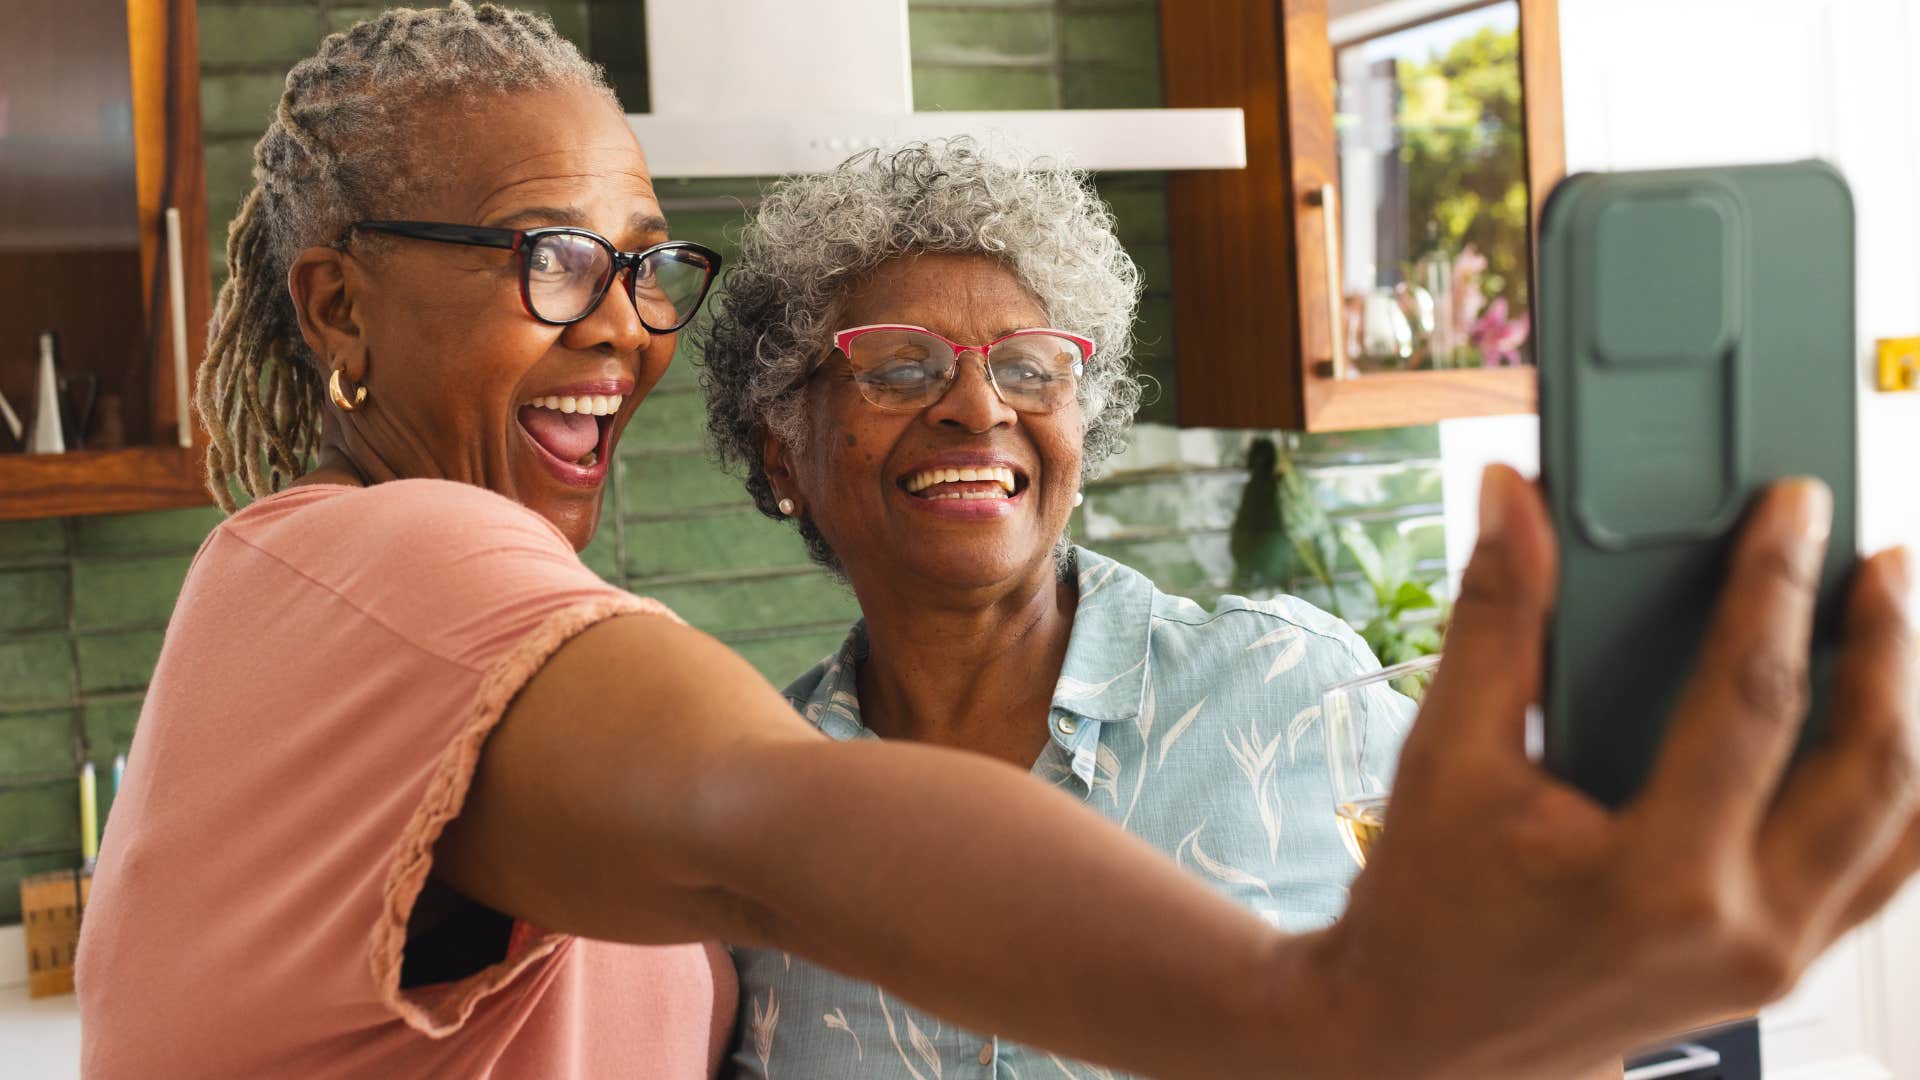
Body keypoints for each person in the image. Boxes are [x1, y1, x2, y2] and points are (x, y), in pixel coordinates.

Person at [74, 4, 1918, 1080]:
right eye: (553, 255)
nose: (624, 321)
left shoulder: (1282, 687)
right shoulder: (395, 573)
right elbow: (768, 843)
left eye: (645, 266)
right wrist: (1329, 1019)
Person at [699, 140, 1392, 1078]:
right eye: (901, 367)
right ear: (783, 450)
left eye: (1030, 367)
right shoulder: (750, 813)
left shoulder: (1297, 687)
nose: (978, 407)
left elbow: (1535, 1016)